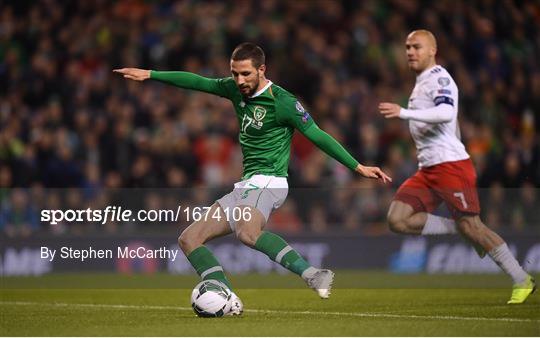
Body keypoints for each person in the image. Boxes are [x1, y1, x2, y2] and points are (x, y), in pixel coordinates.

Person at [115, 42, 391, 315]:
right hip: (247, 184)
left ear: (262, 69)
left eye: (246, 74)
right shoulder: (234, 89)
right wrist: (152, 74)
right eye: (235, 73)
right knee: (189, 238)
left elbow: (317, 135)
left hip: (270, 180)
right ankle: (224, 294)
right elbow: (197, 82)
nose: (239, 80)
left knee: (247, 233)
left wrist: (357, 167)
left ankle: (313, 275)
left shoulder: (283, 101)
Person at [378, 30, 535, 304]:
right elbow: (454, 124)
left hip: (450, 167)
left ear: (432, 50)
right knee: (397, 218)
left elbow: (447, 112)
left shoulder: (439, 78)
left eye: (417, 47)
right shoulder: (421, 82)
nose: (410, 52)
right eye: (407, 47)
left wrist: (404, 112)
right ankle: (457, 230)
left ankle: (522, 279)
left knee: (474, 227)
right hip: (428, 169)